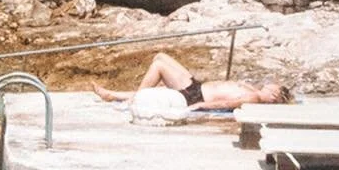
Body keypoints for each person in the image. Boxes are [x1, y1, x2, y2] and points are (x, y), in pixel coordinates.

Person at [94, 51, 290, 113]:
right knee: (160, 57)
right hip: (195, 87)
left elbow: (227, 104)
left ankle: (135, 100)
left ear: (275, 94)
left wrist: (200, 106)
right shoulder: (253, 90)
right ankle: (113, 95)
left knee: (159, 64)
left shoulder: (254, 97)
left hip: (194, 94)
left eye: (275, 86)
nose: (272, 82)